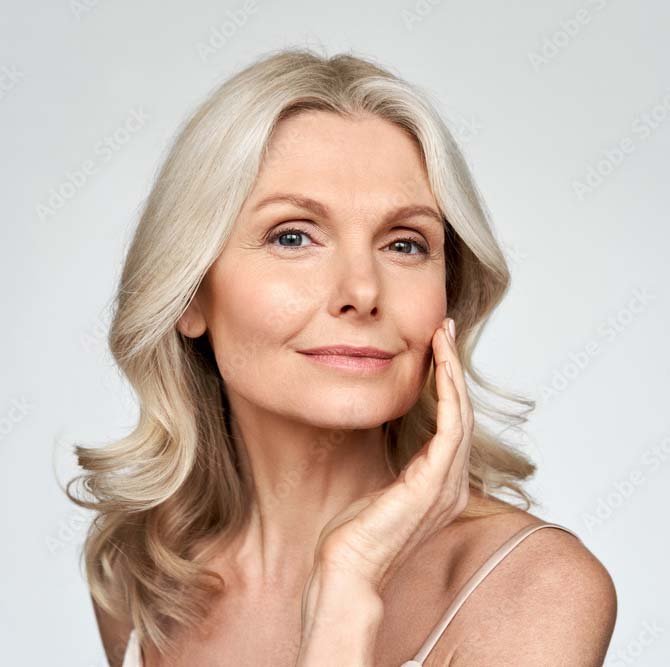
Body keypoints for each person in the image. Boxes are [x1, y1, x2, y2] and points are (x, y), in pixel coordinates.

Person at [67, 47, 617, 666]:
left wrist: (348, 587)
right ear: (190, 293)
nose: (362, 290)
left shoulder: (533, 589)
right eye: (293, 236)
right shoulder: (139, 573)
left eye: (405, 244)